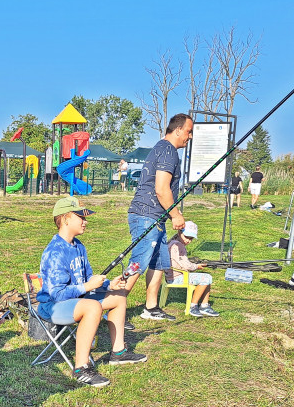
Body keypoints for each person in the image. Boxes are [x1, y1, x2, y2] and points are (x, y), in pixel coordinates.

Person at [37, 197, 148, 387]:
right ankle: (81, 367)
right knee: (93, 307)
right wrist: (88, 288)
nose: (85, 221)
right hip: (52, 307)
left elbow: (88, 280)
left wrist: (108, 286)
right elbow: (57, 294)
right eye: (80, 216)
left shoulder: (79, 246)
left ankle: (118, 352)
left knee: (119, 297)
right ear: (65, 219)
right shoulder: (55, 251)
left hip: (78, 299)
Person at [126, 113, 194, 321]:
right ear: (178, 130)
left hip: (156, 217)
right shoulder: (168, 151)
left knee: (158, 262)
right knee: (139, 262)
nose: (189, 137)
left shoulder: (163, 148)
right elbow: (162, 189)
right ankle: (114, 308)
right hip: (147, 215)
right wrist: (176, 215)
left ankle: (151, 307)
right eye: (189, 132)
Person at [168, 221, 220, 317]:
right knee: (206, 278)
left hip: (172, 275)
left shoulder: (172, 243)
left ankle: (204, 305)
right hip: (177, 277)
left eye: (191, 238)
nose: (188, 241)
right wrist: (196, 266)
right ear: (179, 232)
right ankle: (193, 306)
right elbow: (186, 265)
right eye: (187, 237)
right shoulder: (178, 246)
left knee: (207, 278)